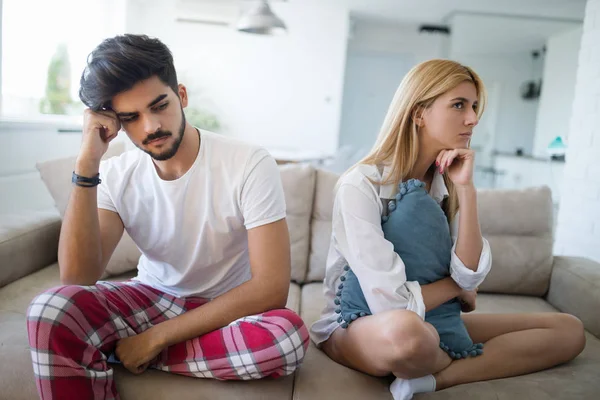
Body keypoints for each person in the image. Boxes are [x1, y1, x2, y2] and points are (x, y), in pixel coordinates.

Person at [26, 34, 309, 400]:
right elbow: (77, 279)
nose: (151, 127)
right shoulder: (115, 174)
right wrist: (87, 163)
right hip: (153, 297)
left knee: (285, 338)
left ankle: (122, 351)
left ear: (183, 96)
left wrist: (153, 339)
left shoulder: (249, 163)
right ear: (115, 124)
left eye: (160, 106)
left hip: (223, 310)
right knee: (50, 308)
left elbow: (271, 287)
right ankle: (129, 349)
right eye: (131, 118)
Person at [310, 59, 585, 400]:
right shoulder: (361, 184)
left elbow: (470, 275)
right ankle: (436, 363)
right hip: (360, 325)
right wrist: (455, 287)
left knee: (569, 330)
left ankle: (431, 379)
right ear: (418, 113)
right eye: (458, 105)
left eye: (473, 107)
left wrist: (467, 190)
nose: (472, 118)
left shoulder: (448, 184)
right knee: (407, 334)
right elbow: (391, 301)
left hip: (432, 319)